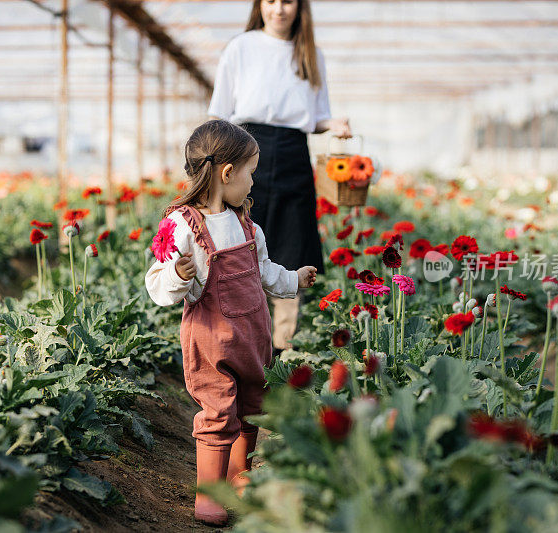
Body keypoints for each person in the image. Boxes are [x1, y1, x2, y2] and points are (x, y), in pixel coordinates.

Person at [145, 120, 317, 526]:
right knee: (219, 411)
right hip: (211, 339)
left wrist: (293, 280)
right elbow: (156, 283)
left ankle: (240, 476)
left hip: (252, 336)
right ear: (227, 173)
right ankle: (210, 492)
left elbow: (264, 271)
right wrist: (178, 276)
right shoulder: (183, 225)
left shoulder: (246, 225)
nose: (253, 183)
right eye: (251, 173)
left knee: (252, 403)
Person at [208, 0, 351, 357]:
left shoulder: (311, 54)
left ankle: (281, 349)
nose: (279, 9)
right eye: (271, 0)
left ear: (300, 7)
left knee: (290, 245)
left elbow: (317, 115)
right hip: (245, 147)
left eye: (288, 1)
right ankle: (240, 340)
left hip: (292, 152)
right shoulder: (242, 47)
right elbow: (219, 112)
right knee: (239, 241)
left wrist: (333, 124)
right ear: (260, 5)